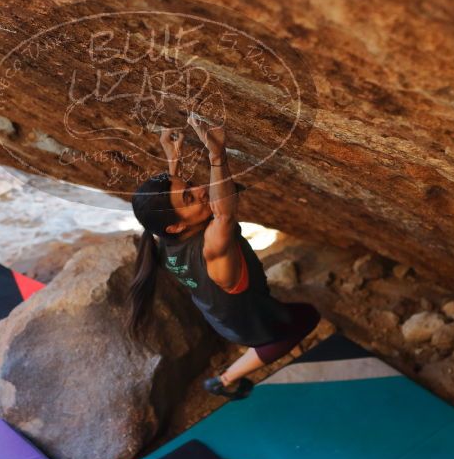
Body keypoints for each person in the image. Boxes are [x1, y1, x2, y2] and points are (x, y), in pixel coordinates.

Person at [126, 116, 320, 400]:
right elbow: (225, 213)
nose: (200, 189)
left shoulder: (166, 239)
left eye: (190, 185)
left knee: (282, 316)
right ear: (176, 225)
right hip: (250, 323)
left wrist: (174, 160)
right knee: (306, 316)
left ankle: (226, 378)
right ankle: (225, 380)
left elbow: (170, 206)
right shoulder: (212, 248)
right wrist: (217, 155)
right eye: (190, 198)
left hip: (218, 316)